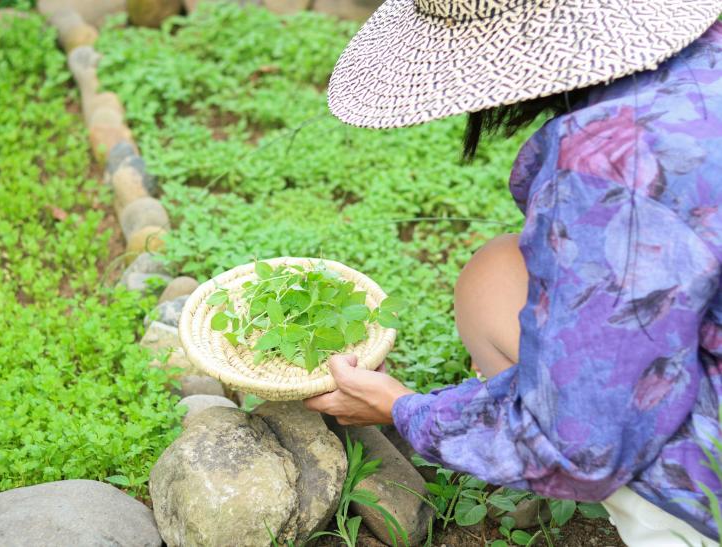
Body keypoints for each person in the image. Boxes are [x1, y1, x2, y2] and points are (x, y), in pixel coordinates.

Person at [303, 1, 722, 545]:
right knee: (499, 268)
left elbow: (584, 444)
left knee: (502, 302)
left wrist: (404, 409)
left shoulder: (608, 160)